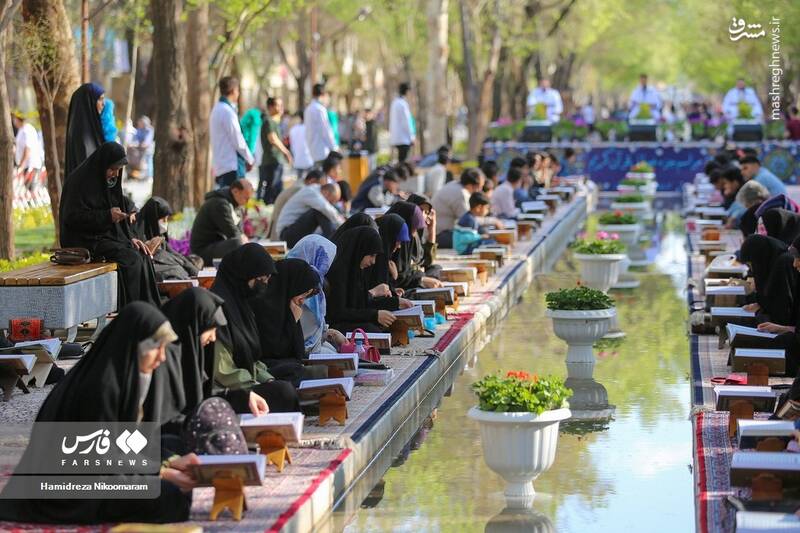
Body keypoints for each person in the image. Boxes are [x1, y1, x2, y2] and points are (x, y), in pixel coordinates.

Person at [0, 302, 202, 525]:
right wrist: (162, 473)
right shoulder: (101, 388)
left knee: (175, 445)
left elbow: (125, 443)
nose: (163, 357)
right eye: (157, 347)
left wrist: (169, 460)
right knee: (168, 496)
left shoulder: (123, 377)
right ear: (136, 345)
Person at [60, 142, 160, 306]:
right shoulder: (79, 182)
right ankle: (130, 312)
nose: (115, 174)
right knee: (131, 259)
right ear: (103, 164)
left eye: (118, 169)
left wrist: (129, 236)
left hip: (103, 236)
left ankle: (149, 309)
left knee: (143, 255)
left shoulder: (108, 180)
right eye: (112, 169)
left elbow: (116, 201)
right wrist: (107, 216)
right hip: (83, 241)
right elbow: (72, 218)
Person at [210, 244, 301, 413]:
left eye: (267, 279)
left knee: (288, 377)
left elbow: (253, 358)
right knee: (284, 392)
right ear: (243, 276)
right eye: (261, 279)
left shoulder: (242, 306)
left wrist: (267, 380)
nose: (265, 284)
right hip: (230, 390)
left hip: (248, 380)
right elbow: (223, 371)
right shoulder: (217, 309)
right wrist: (255, 385)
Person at [251, 258, 323, 383]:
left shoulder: (286, 303)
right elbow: (274, 351)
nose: (302, 301)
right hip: (260, 365)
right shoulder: (263, 303)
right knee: (297, 370)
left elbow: (298, 353)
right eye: (303, 293)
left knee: (314, 369)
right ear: (293, 284)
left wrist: (293, 321)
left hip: (281, 362)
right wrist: (293, 321)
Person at [326, 226, 397, 333]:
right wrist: (374, 315)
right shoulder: (339, 271)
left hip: (352, 321)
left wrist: (396, 302)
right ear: (361, 249)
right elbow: (338, 312)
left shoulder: (357, 270)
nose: (373, 261)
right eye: (371, 255)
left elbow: (364, 303)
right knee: (374, 331)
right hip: (336, 327)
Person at [286, 235, 346, 354]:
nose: (327, 265)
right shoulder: (303, 287)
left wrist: (329, 333)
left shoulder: (312, 282)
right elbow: (306, 335)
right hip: (301, 349)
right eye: (326, 260)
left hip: (309, 345)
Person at [134, 196, 201, 281]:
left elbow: (175, 255)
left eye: (167, 219)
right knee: (177, 270)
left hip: (169, 268)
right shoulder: (139, 236)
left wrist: (196, 272)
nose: (165, 223)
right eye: (163, 220)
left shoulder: (159, 237)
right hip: (153, 271)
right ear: (153, 219)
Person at [190, 178, 253, 266]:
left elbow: (240, 232)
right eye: (246, 198)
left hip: (216, 245)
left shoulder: (235, 204)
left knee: (243, 244)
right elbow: (233, 233)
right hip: (202, 251)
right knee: (237, 243)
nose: (247, 202)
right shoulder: (219, 203)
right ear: (235, 191)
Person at [740, 235, 798, 331]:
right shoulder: (773, 261)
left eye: (752, 264)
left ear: (760, 258)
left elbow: (783, 312)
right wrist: (760, 305)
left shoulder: (784, 263)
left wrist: (760, 309)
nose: (753, 269)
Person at [387, 200, 442, 290]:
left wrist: (432, 229)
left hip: (408, 279)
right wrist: (420, 278)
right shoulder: (396, 237)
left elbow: (425, 261)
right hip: (403, 284)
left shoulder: (412, 234)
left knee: (436, 270)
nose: (424, 216)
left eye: (427, 212)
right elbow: (396, 279)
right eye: (421, 211)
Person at [210, 76, 254, 187]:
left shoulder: (217, 109)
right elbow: (237, 139)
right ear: (234, 90)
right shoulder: (227, 111)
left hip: (221, 165)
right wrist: (249, 158)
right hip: (231, 166)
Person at [276, 181, 345, 247]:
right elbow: (326, 208)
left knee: (324, 213)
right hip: (287, 235)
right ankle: (334, 242)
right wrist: (343, 224)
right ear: (326, 193)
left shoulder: (315, 191)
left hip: (292, 231)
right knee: (319, 211)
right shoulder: (311, 192)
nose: (330, 204)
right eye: (330, 201)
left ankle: (333, 240)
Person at [432, 167, 485, 248]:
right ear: (471, 185)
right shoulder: (460, 194)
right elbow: (469, 220)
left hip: (441, 231)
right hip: (439, 235)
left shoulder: (455, 185)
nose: (480, 190)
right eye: (480, 187)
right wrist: (493, 221)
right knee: (480, 234)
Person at [64, 82, 106, 177]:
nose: (103, 104)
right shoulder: (83, 134)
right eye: (100, 99)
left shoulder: (91, 128)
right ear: (88, 102)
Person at [269, 169, 323, 239]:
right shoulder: (301, 189)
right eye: (319, 186)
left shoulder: (300, 185)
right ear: (312, 181)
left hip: (280, 225)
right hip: (282, 229)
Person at [258, 97, 293, 204]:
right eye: (278, 105)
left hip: (274, 161)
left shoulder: (274, 122)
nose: (281, 108)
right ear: (271, 107)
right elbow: (272, 138)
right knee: (272, 191)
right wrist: (286, 152)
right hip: (272, 161)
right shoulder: (269, 121)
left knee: (275, 190)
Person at [372, 214, 411, 293]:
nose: (399, 246)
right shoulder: (375, 258)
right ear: (389, 237)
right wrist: (394, 277)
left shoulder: (385, 258)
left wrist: (392, 289)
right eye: (397, 241)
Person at [304, 83, 337, 166]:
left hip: (313, 150)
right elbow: (325, 130)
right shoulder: (319, 109)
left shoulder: (308, 109)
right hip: (322, 151)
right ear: (323, 94)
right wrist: (334, 147)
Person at [11, 112, 43, 192]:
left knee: (31, 188)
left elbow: (27, 149)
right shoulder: (21, 130)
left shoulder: (27, 130)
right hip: (25, 165)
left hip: (30, 164)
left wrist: (22, 165)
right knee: (27, 187)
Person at [389, 82, 415, 163]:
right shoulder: (403, 104)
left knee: (400, 161)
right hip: (404, 139)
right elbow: (407, 122)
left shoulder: (395, 102)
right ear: (407, 91)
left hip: (396, 138)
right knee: (402, 162)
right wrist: (412, 137)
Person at [288, 111, 313, 178]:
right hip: (309, 159)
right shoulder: (308, 128)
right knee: (311, 180)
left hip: (298, 159)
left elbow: (292, 146)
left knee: (299, 180)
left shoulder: (293, 129)